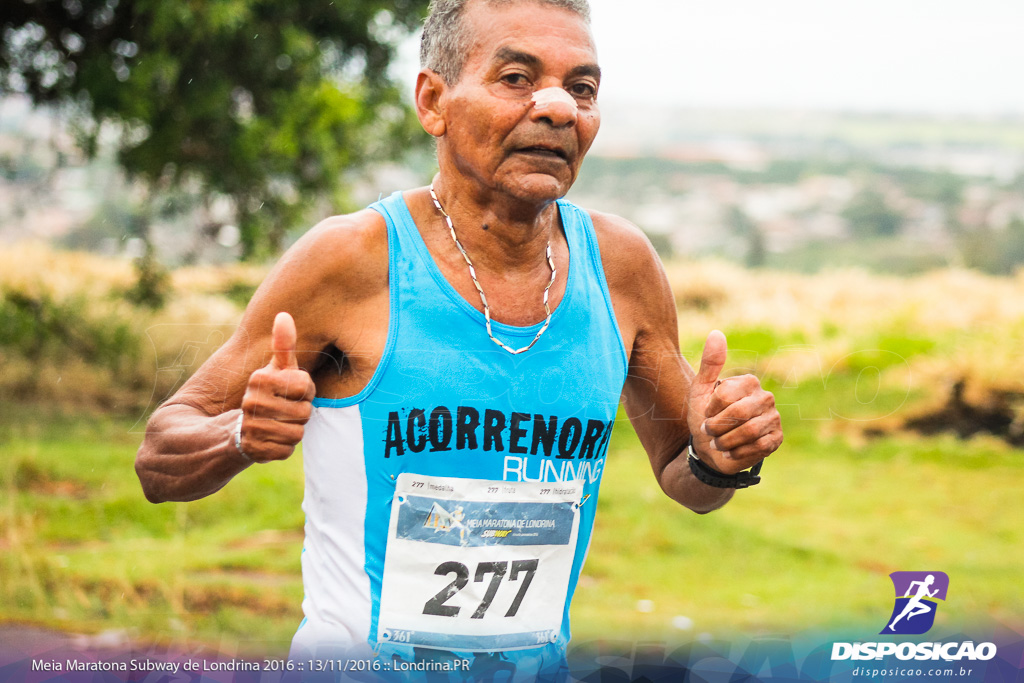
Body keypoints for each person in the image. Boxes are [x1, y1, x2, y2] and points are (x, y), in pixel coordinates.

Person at [135, 0, 783, 679]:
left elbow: (689, 477)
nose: (559, 107)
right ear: (434, 100)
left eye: (582, 88)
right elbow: (159, 456)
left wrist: (717, 456)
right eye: (516, 78)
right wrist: (240, 434)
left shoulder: (621, 268)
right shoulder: (351, 261)